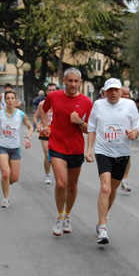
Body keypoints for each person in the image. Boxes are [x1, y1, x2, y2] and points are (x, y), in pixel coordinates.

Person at [85, 78, 139, 244]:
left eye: (116, 90)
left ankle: (104, 213)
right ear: (105, 92)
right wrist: (89, 149)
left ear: (121, 90)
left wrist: (134, 133)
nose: (114, 93)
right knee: (105, 187)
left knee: (114, 188)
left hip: (122, 152)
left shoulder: (129, 105)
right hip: (103, 151)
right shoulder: (98, 105)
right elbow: (92, 128)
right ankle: (102, 228)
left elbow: (137, 126)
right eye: (110, 90)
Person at [41, 68, 93, 236]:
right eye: (70, 80)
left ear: (80, 82)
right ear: (64, 80)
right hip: (56, 146)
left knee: (72, 185)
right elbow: (44, 108)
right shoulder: (53, 96)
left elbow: (89, 129)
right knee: (61, 183)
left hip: (76, 148)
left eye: (76, 81)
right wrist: (44, 126)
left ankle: (68, 215)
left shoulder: (86, 102)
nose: (73, 84)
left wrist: (79, 122)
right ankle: (59, 216)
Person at [0, 90, 34, 207]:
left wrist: (28, 137)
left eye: (12, 98)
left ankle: (8, 181)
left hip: (15, 148)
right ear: (5, 100)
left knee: (14, 178)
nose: (10, 100)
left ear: (16, 100)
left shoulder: (21, 114)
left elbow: (31, 127)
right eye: (8, 98)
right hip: (2, 146)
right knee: (5, 173)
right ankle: (6, 198)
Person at [33, 83, 58, 184]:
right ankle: (48, 175)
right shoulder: (42, 104)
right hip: (45, 131)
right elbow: (35, 117)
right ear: (47, 92)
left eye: (53, 90)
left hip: (57, 131)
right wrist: (37, 125)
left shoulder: (60, 103)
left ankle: (58, 174)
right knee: (47, 153)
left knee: (56, 155)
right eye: (50, 90)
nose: (51, 92)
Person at [119, 85, 134, 192]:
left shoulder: (131, 105)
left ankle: (124, 179)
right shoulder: (113, 104)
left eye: (128, 94)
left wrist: (134, 131)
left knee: (127, 156)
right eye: (124, 93)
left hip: (127, 135)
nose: (126, 96)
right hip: (112, 135)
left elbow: (135, 120)